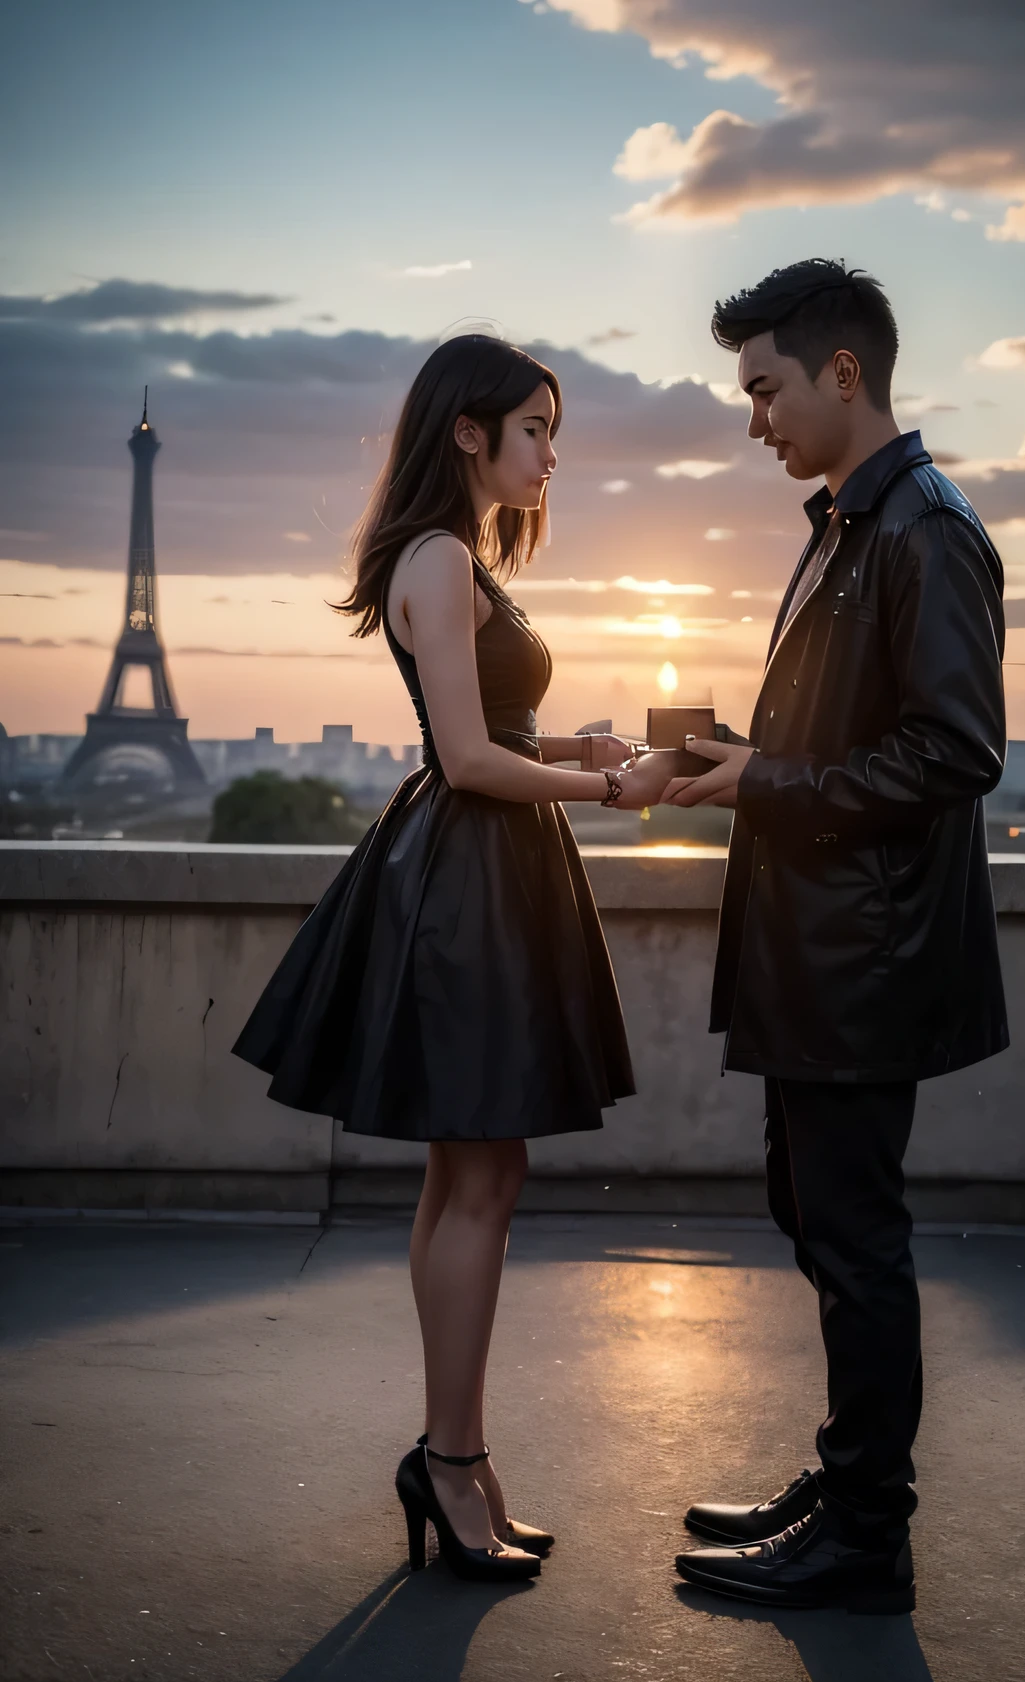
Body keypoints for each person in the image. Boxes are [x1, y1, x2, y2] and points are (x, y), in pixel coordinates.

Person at [233, 334, 666, 1583]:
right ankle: (453, 1458)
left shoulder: (450, 557)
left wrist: (573, 737)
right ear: (466, 431)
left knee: (467, 1175)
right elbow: (470, 759)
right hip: (473, 875)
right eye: (532, 428)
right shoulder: (436, 556)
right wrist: (604, 783)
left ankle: (454, 1457)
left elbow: (488, 732)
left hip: (480, 870)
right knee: (482, 1175)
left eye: (552, 432)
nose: (548, 454)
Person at [659, 260, 1008, 1613]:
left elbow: (953, 754)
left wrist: (762, 781)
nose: (755, 418)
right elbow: (861, 742)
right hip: (827, 953)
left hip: (863, 962)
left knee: (855, 1240)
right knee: (816, 1216)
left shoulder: (920, 530)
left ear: (842, 373)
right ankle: (852, 1481)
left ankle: (870, 1533)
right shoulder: (859, 522)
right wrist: (739, 760)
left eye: (764, 388)